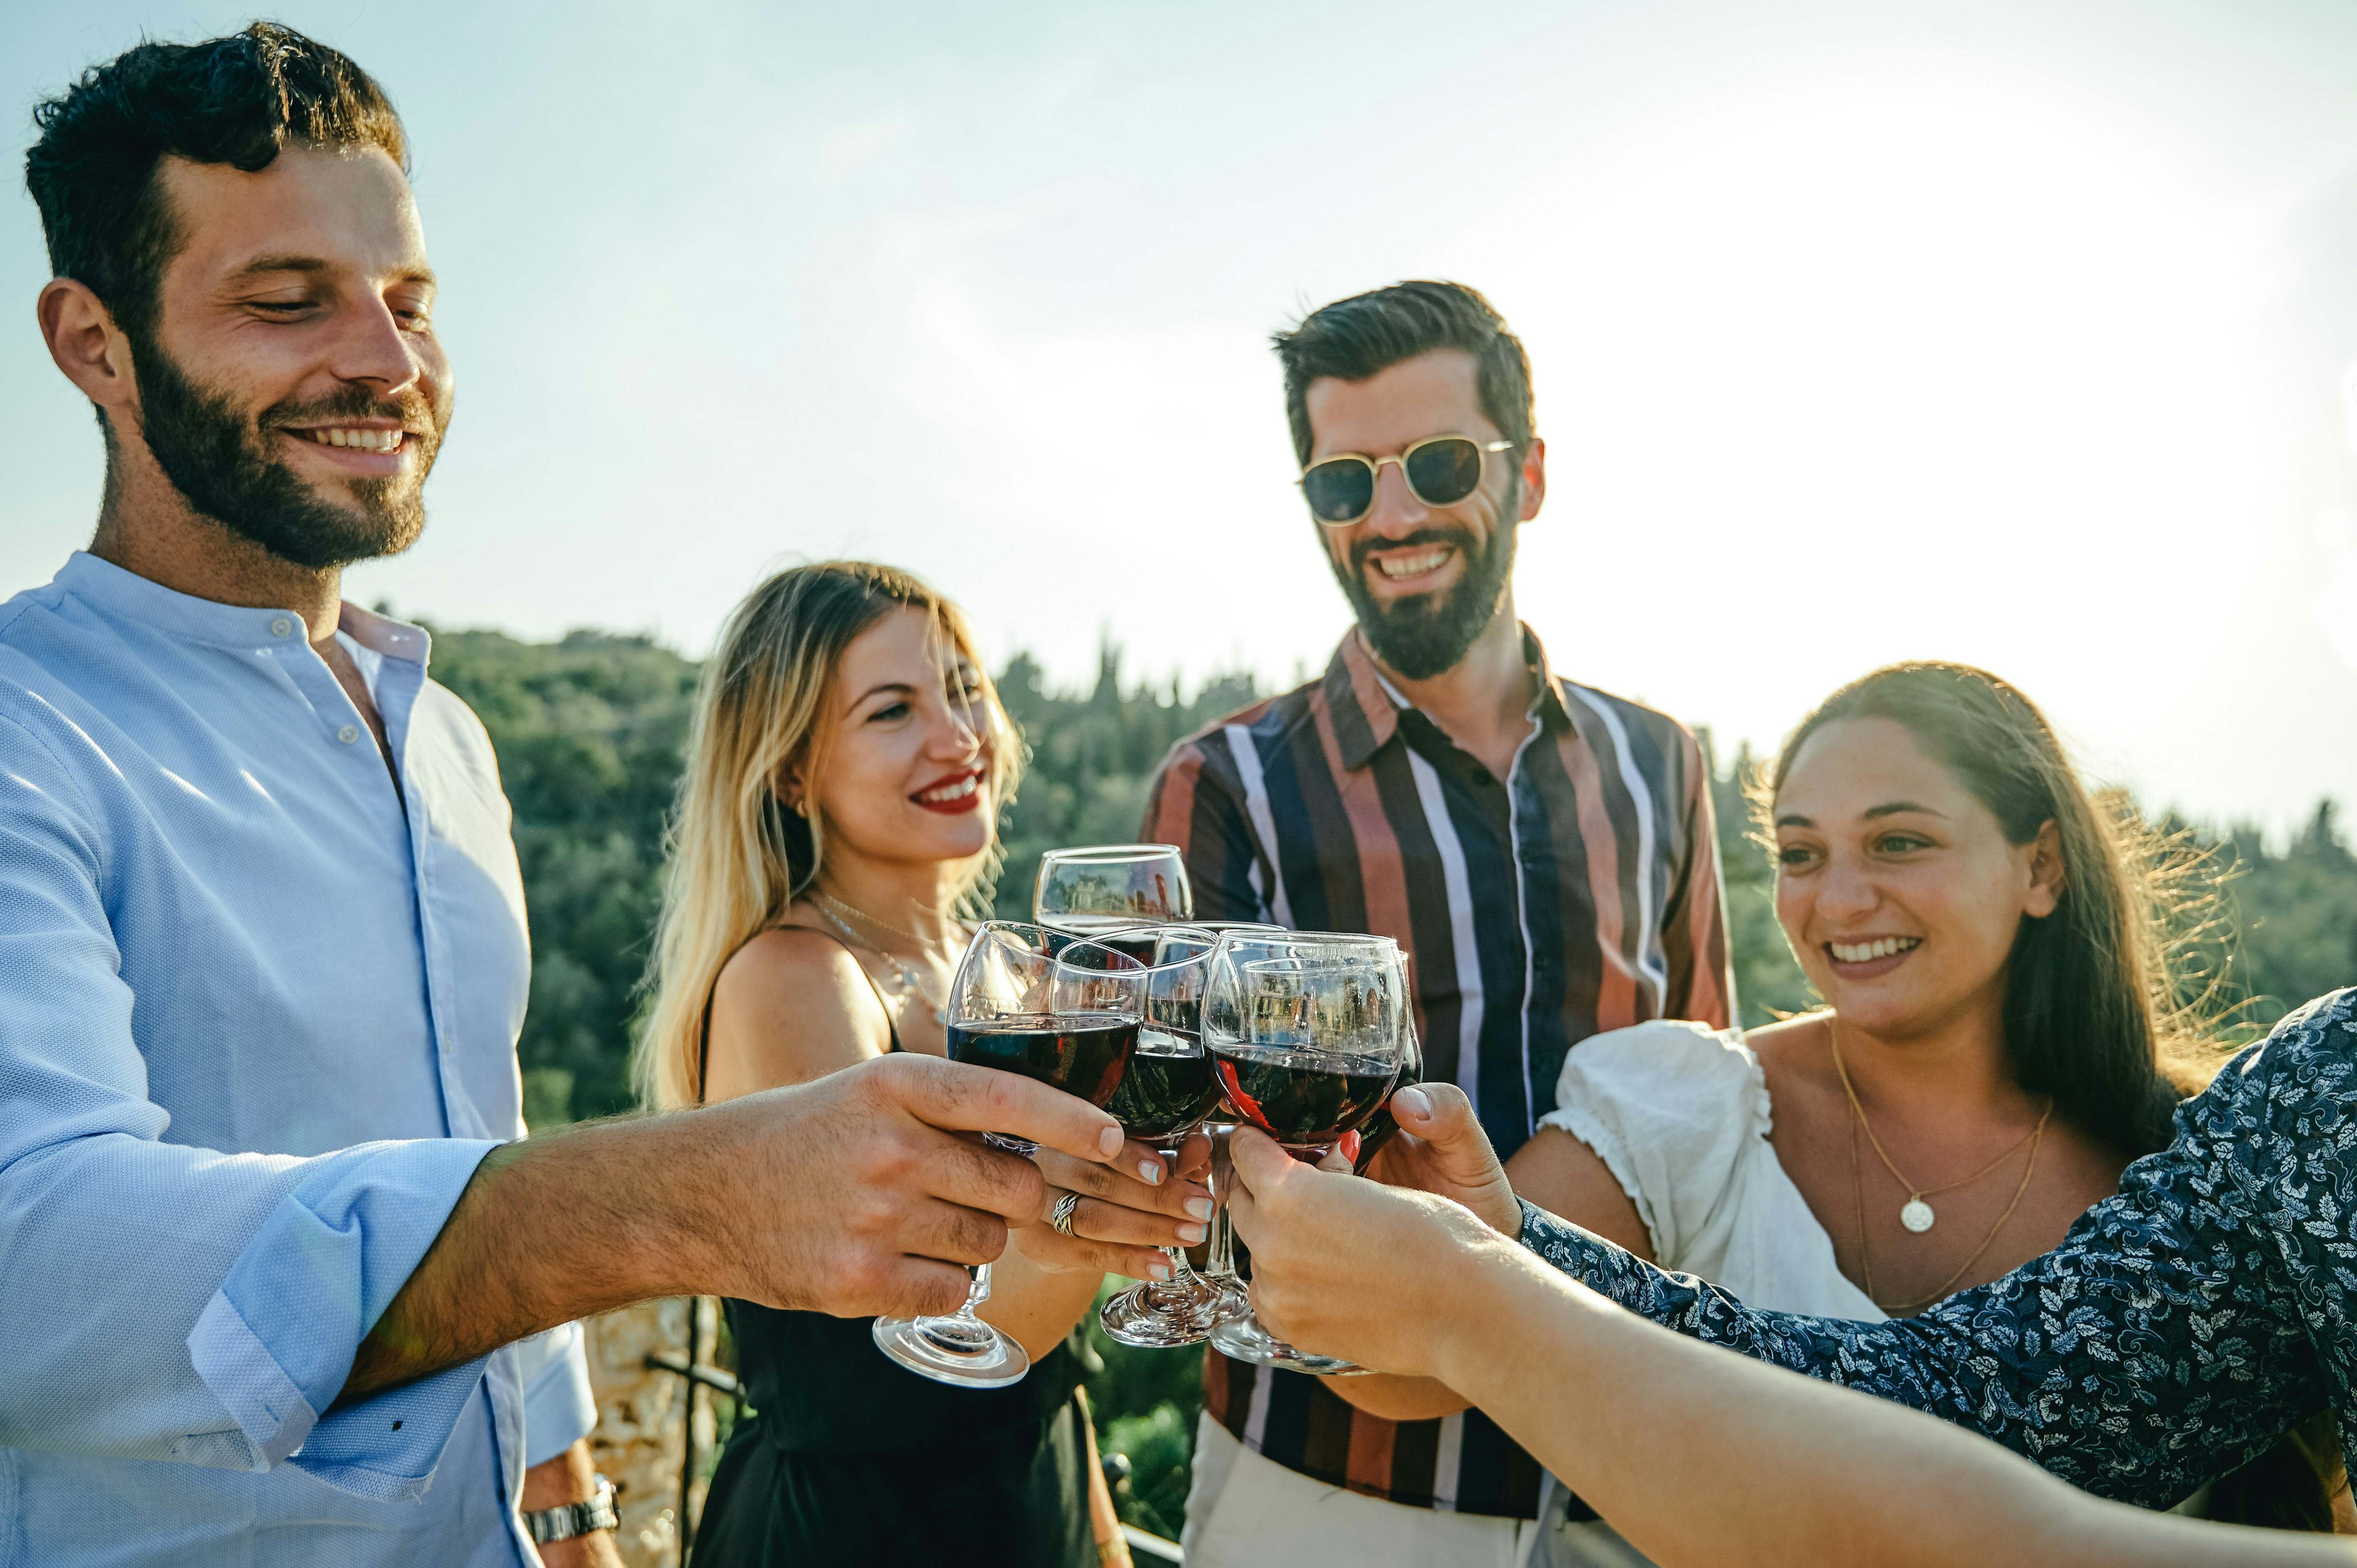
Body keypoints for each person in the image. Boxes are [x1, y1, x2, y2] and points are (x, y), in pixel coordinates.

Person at [4, 28, 1133, 1567]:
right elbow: (35, 1264)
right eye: (288, 302)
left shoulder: (450, 744)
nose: (388, 364)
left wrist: (569, 1496)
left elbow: (475, 1123)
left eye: (409, 302)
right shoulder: (26, 722)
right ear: (93, 342)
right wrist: (682, 1201)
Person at [1340, 660, 2345, 1546]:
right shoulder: (1690, 1109)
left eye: (1900, 843)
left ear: (2041, 866)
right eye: (1801, 854)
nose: (1841, 899)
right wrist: (1317, 1223)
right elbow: (1408, 1362)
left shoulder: (2196, 1158)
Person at [1140, 278, 1737, 1560]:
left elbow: (1711, 1099)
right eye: (1344, 483)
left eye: (1438, 463)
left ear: (1525, 479)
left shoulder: (1659, 765)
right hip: (1334, 1493)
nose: (1392, 514)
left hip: (1629, 1487)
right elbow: (1179, 1161)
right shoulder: (1227, 787)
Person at [633, 560, 1213, 1567]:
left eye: (962, 690)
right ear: (790, 772)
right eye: (893, 710)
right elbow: (885, 1381)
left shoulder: (1000, 974)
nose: (958, 737)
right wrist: (1080, 1220)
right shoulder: (794, 977)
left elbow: (1041, 1379)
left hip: (1034, 1510)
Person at [1220, 1084, 2357, 1568]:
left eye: (1900, 841)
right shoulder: (2320, 1096)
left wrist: (1478, 1303)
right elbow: (1974, 1409)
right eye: (1799, 852)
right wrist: (1509, 1252)